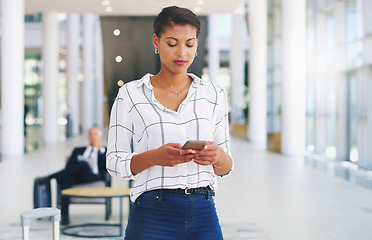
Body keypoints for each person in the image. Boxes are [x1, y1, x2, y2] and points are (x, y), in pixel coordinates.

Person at [106, 6, 233, 240]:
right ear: (156, 41)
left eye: (189, 44)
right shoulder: (130, 94)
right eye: (172, 43)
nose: (181, 53)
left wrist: (217, 157)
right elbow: (114, 162)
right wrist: (155, 157)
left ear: (197, 45)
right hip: (151, 213)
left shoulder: (214, 94)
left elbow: (225, 166)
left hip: (203, 210)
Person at [36, 127, 107, 225]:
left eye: (95, 134)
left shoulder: (105, 151)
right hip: (77, 176)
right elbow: (68, 168)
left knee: (83, 164)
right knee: (66, 179)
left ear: (100, 137)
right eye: (91, 134)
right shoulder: (78, 150)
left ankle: (50, 177)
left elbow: (107, 168)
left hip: (93, 176)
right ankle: (64, 216)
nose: (93, 136)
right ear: (88, 137)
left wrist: (101, 151)